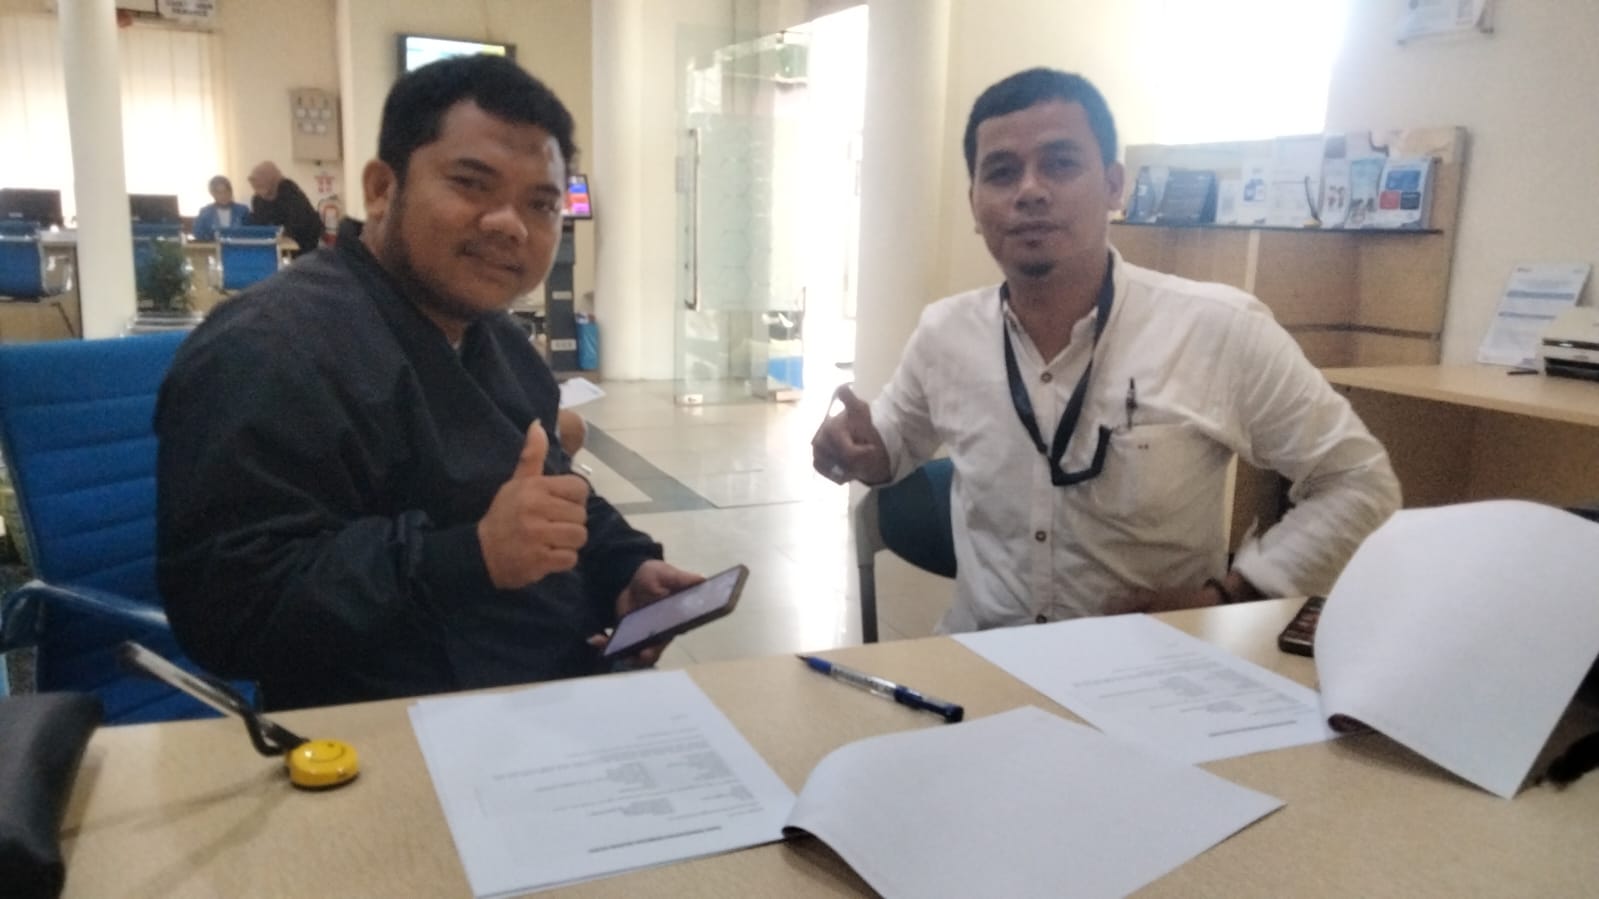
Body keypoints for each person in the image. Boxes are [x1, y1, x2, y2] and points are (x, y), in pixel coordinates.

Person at [157, 55, 702, 710]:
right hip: (398, 730)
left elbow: (551, 494)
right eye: (472, 184)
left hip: (558, 701)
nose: (510, 223)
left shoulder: (498, 341)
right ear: (381, 188)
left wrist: (625, 567)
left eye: (540, 203)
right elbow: (229, 610)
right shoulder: (270, 350)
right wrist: (472, 555)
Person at [813, 68, 1400, 633]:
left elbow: (1360, 482)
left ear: (1114, 186)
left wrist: (1231, 596)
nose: (1030, 191)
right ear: (974, 204)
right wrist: (859, 450)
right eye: (1002, 172)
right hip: (983, 658)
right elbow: (893, 441)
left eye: (1060, 163)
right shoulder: (945, 333)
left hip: (1148, 667)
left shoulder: (1217, 329)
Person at [245, 160, 324, 255]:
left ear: (270, 178)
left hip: (304, 243)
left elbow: (298, 221)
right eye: (255, 185)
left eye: (260, 183)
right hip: (275, 246)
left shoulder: (289, 191)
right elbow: (260, 225)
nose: (257, 188)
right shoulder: (257, 200)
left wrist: (282, 236)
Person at [190, 175, 251, 241]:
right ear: (212, 194)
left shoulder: (242, 210)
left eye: (226, 191)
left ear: (231, 192)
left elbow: (249, 233)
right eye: (219, 193)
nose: (223, 195)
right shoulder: (205, 212)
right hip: (214, 246)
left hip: (237, 245)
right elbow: (198, 234)